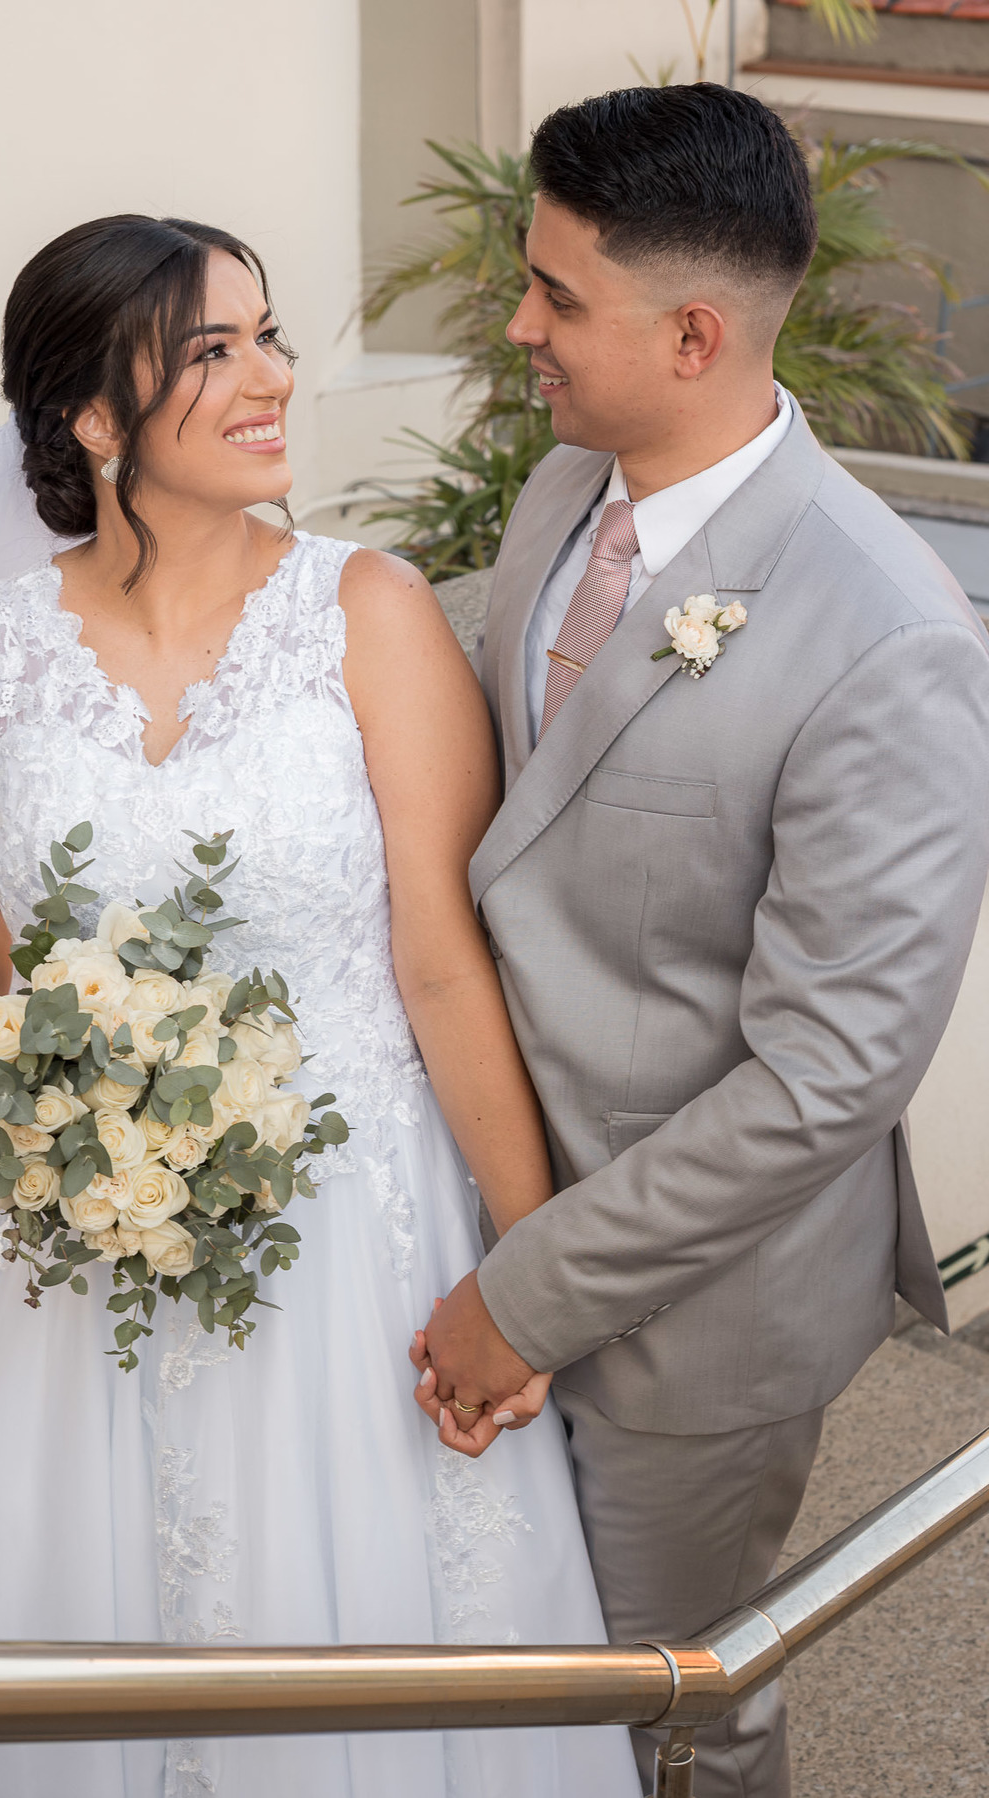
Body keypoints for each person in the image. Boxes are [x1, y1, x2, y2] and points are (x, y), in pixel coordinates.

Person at [0, 214, 642, 1798]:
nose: (273, 380)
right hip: (67, 1253)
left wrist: (533, 1272)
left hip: (350, 1244)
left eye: (270, 337)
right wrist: (5, 1129)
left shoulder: (368, 613)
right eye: (212, 351)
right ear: (95, 419)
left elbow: (439, 956)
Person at [414, 84, 989, 1798]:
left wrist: (526, 1296)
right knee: (526, 1672)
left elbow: (826, 1075)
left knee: (681, 1701)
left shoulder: (887, 636)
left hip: (695, 1319)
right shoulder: (559, 495)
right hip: (493, 1200)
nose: (517, 323)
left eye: (554, 296)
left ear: (692, 330)